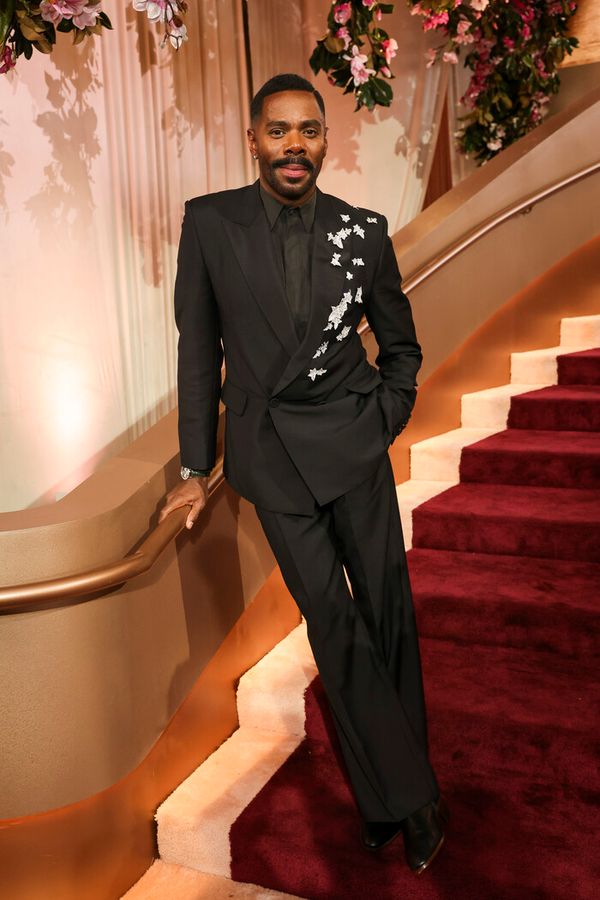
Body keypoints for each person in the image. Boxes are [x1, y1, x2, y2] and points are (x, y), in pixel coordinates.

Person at [158, 73, 448, 875]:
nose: (295, 145)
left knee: (386, 612)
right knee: (334, 623)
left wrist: (384, 415)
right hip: (272, 459)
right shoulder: (209, 223)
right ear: (253, 140)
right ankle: (411, 794)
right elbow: (197, 352)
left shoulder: (365, 228)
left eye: (310, 131)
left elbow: (401, 345)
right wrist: (194, 463)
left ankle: (398, 789)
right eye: (279, 131)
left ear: (325, 140)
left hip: (353, 444)